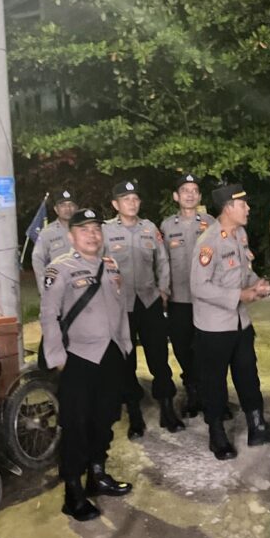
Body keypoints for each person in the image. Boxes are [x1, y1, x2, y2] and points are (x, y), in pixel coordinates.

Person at [40, 208, 133, 522]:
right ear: (71, 236)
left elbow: (120, 308)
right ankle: (73, 492)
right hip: (78, 358)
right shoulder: (60, 269)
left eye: (96, 229)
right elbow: (48, 315)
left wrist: (125, 344)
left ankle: (97, 475)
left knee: (104, 420)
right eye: (84, 230)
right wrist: (57, 357)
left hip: (110, 354)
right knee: (76, 425)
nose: (92, 235)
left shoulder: (111, 265)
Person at [191, 183, 270, 460]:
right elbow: (198, 287)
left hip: (240, 322)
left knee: (248, 374)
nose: (248, 208)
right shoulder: (209, 242)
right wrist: (239, 295)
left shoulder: (240, 235)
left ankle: (257, 426)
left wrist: (258, 284)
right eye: (243, 204)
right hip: (214, 327)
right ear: (228, 208)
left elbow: (244, 272)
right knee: (214, 382)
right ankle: (217, 435)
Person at [103, 180, 183, 438]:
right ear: (115, 204)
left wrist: (163, 289)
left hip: (149, 301)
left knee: (159, 357)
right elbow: (98, 265)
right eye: (126, 199)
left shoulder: (149, 228)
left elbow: (163, 261)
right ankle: (135, 414)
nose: (132, 203)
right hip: (121, 305)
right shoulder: (105, 231)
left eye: (135, 199)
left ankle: (167, 408)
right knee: (126, 361)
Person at [159, 173, 216, 418]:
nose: (190, 195)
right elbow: (162, 262)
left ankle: (213, 395)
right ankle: (192, 391)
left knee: (209, 349)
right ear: (176, 196)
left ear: (200, 196)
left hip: (207, 300)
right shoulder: (166, 226)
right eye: (185, 190)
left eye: (194, 191)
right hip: (179, 299)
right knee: (183, 348)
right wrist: (163, 290)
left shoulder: (211, 223)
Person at [31, 190, 78, 294]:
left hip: (84, 285)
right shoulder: (47, 233)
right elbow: (38, 260)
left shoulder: (85, 230)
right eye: (63, 205)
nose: (67, 209)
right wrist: (44, 288)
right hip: (59, 287)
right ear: (56, 209)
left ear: (76, 208)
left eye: (71, 205)